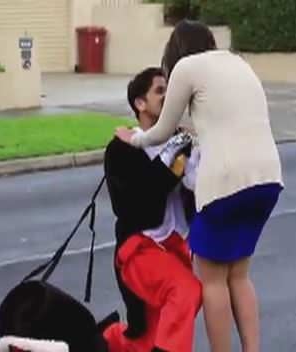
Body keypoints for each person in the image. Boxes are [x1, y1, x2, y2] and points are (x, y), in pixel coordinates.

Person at [115, 20, 284, 352]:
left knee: (213, 281)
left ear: (175, 51)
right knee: (239, 275)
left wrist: (135, 140)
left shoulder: (187, 68)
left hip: (224, 185)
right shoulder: (238, 62)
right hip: (267, 179)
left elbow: (162, 131)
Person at [102, 67, 202, 352]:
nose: (168, 95)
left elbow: (198, 188)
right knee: (186, 292)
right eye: (160, 90)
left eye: (170, 90)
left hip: (175, 250)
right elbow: (139, 202)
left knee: (147, 340)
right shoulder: (121, 149)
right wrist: (172, 157)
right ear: (140, 104)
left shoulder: (182, 142)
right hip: (140, 249)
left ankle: (107, 341)